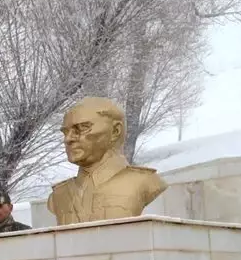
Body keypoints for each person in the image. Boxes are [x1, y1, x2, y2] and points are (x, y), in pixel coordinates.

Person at [47, 96, 167, 225]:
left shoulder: (146, 182)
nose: (68, 139)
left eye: (82, 128)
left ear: (115, 131)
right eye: (66, 132)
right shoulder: (59, 195)